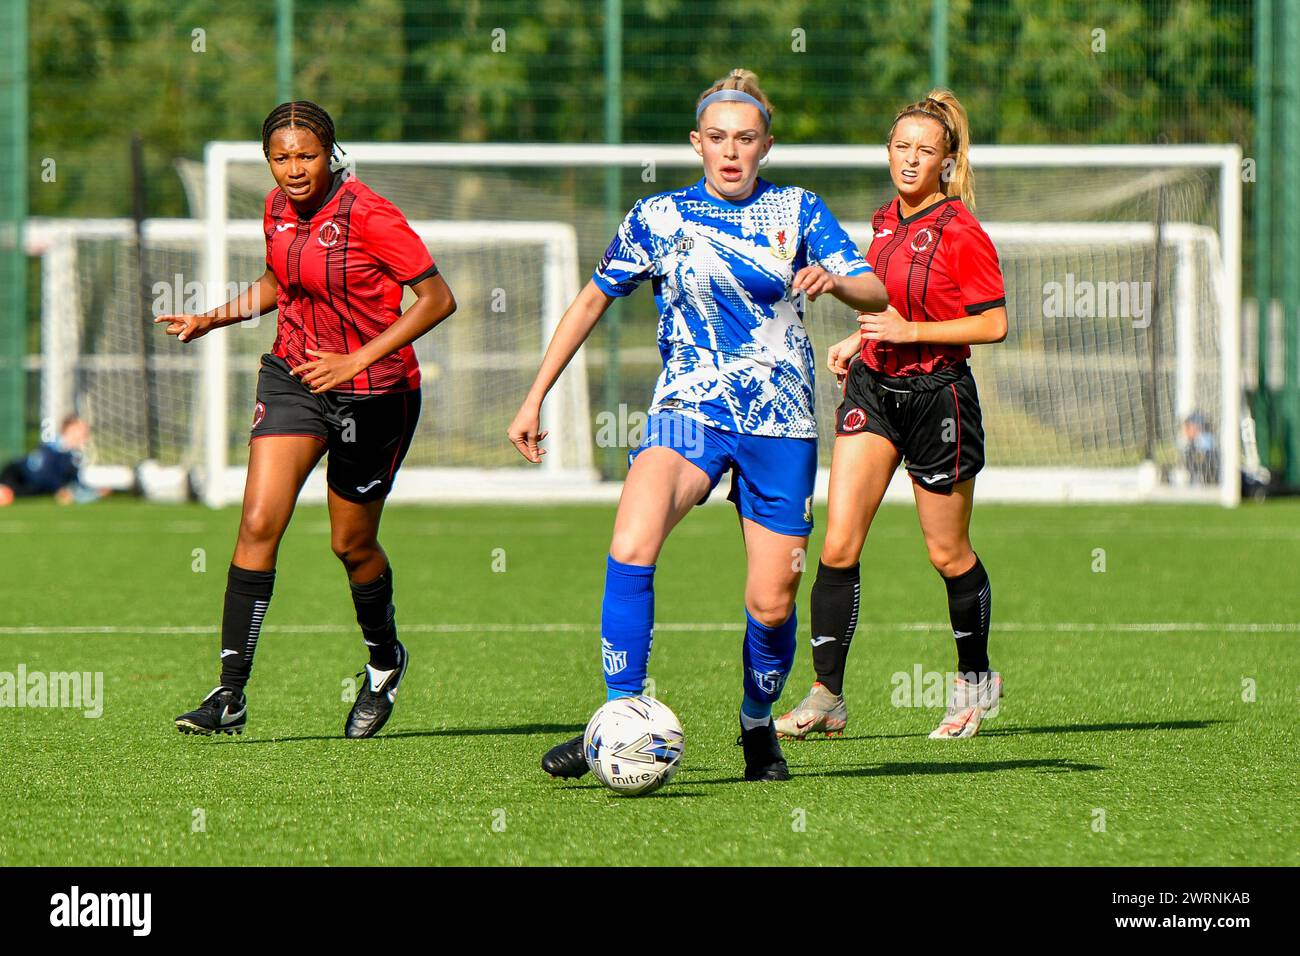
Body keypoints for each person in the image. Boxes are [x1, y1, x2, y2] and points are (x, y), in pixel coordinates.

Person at [508, 69, 887, 781]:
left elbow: (875, 287)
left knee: (772, 603)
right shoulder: (658, 217)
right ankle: (621, 715)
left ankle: (754, 726)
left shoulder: (800, 211)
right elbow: (590, 303)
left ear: (766, 145)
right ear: (697, 143)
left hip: (782, 422)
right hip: (688, 410)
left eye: (746, 139)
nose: (731, 151)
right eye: (717, 138)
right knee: (631, 537)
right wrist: (535, 395)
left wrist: (836, 279)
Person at [158, 101, 457, 737]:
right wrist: (215, 315)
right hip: (294, 377)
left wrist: (356, 361)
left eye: (307, 155)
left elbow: (438, 299)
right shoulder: (274, 209)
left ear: (330, 153)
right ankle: (229, 696)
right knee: (259, 521)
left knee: (350, 544)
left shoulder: (371, 215)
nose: (294, 169)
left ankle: (383, 664)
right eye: (281, 158)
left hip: (375, 392)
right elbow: (279, 281)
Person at [776, 89, 1009, 742]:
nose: (911, 160)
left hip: (940, 403)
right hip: (874, 393)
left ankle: (974, 680)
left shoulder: (963, 232)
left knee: (947, 552)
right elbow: (886, 304)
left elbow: (994, 322)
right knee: (839, 543)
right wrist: (861, 339)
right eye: (901, 148)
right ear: (888, 153)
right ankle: (827, 694)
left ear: (946, 161)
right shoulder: (882, 222)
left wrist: (911, 333)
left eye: (925, 151)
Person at [0, 415, 106, 506]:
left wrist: (94, 492)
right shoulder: (52, 448)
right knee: (8, 493)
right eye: (81, 431)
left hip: (33, 486)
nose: (85, 435)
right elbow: (41, 476)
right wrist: (59, 489)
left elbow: (74, 481)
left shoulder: (72, 456)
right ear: (69, 430)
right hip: (16, 476)